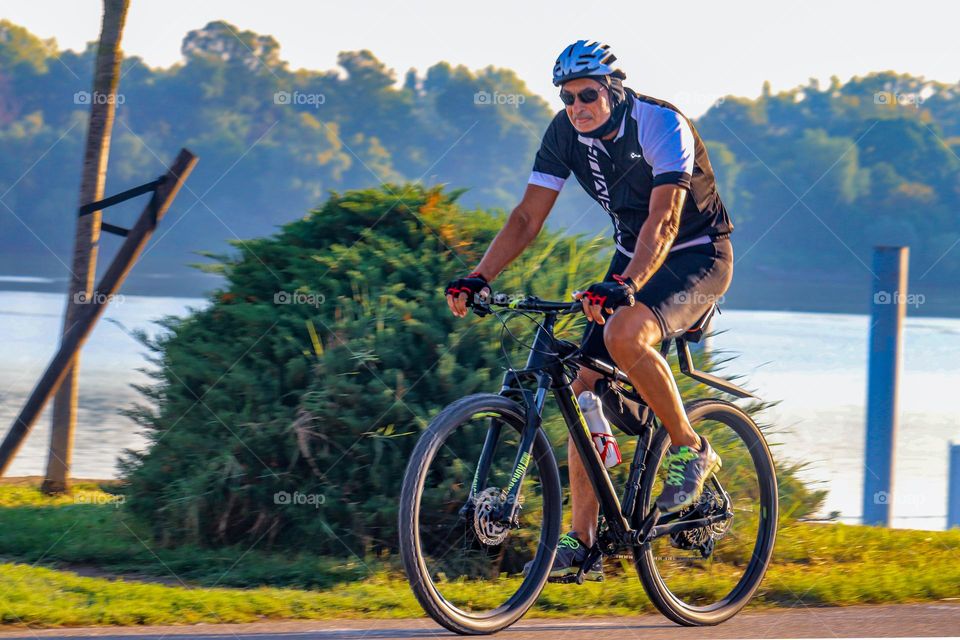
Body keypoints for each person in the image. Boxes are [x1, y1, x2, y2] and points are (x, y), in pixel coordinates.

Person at [445, 40, 734, 582]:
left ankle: (691, 448)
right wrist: (479, 275)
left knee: (626, 333)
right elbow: (528, 218)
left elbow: (666, 221)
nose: (577, 106)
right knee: (581, 391)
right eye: (567, 96)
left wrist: (624, 284)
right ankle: (583, 545)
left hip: (698, 256)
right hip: (633, 260)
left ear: (614, 91)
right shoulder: (563, 134)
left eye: (587, 94)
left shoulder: (659, 123)